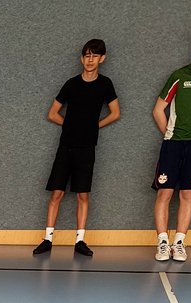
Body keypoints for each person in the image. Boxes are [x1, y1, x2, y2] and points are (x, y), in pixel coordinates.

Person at [33, 39, 119, 259]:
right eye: (87, 56)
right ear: (82, 59)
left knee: (83, 195)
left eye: (94, 56)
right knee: (57, 193)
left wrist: (94, 126)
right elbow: (52, 113)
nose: (90, 60)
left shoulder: (105, 84)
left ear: (102, 58)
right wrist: (71, 125)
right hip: (66, 146)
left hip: (87, 148)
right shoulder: (71, 84)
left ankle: (80, 240)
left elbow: (115, 113)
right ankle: (48, 239)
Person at [152, 50, 191, 263]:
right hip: (173, 144)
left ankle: (179, 243)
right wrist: (169, 134)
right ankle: (163, 242)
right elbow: (158, 110)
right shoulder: (179, 76)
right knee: (165, 193)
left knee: (188, 194)